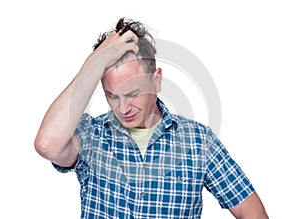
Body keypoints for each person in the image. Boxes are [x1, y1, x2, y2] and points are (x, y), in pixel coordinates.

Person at [34, 17, 269, 219]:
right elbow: (47, 144)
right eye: (112, 96)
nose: (123, 107)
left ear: (156, 80)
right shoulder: (90, 134)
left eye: (133, 93)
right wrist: (97, 61)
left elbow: (253, 213)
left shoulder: (198, 142)